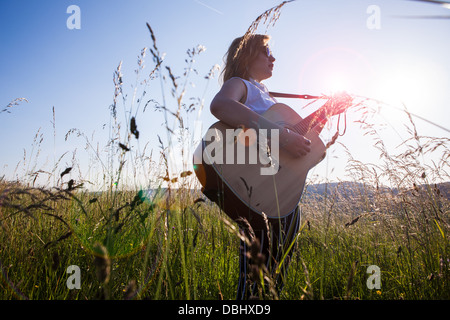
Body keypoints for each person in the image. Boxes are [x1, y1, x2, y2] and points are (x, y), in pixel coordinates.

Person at [201, 34, 350, 299]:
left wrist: (327, 111)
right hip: (256, 189)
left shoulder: (266, 96)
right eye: (266, 52)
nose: (273, 58)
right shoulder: (240, 84)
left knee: (275, 274)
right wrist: (281, 135)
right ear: (246, 55)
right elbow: (221, 105)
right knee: (256, 276)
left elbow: (303, 144)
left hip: (283, 191)